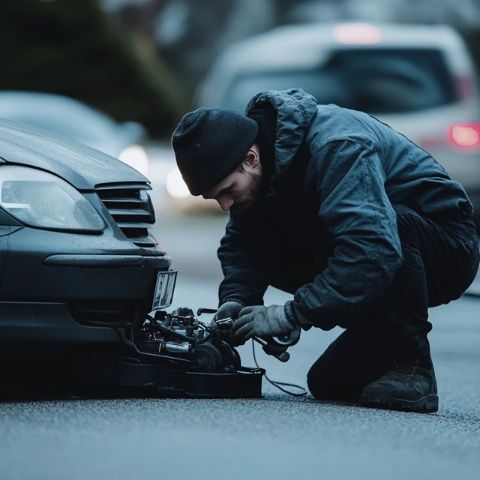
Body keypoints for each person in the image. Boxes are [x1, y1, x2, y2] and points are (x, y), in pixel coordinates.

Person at [171, 89, 479, 413]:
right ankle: (383, 328)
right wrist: (238, 302)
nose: (224, 205)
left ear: (251, 158)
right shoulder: (258, 167)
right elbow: (244, 246)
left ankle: (414, 368)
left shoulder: (337, 144)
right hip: (378, 251)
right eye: (215, 198)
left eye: (227, 191)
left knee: (385, 232)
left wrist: (290, 314)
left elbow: (372, 248)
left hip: (447, 246)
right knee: (330, 383)